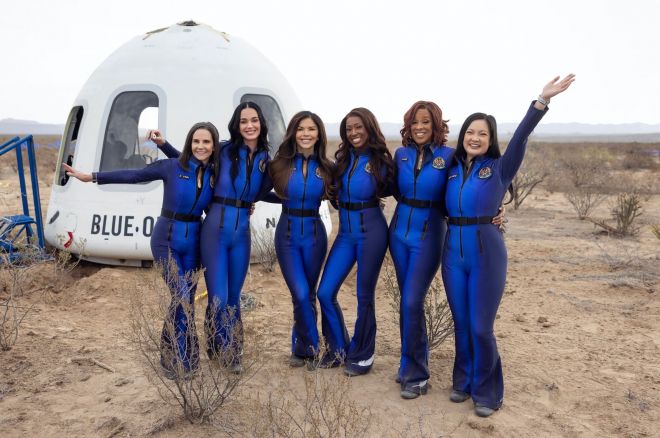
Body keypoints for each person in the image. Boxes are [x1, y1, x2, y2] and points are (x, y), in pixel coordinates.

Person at [442, 74, 575, 417]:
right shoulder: (451, 169)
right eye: (470, 132)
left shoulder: (501, 168)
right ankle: (463, 381)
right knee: (461, 322)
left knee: (480, 326)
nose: (475, 138)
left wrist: (541, 101)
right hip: (452, 254)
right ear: (463, 136)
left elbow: (521, 136)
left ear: (490, 140)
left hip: (487, 255)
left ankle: (488, 393)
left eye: (482, 134)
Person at [63, 122, 219, 379]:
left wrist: (247, 207)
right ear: (189, 143)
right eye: (196, 141)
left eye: (206, 142)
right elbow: (134, 175)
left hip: (194, 244)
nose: (200, 146)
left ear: (213, 146)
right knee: (181, 295)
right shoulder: (171, 167)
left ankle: (184, 356)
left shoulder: (214, 175)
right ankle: (176, 360)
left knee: (187, 300)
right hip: (166, 241)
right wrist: (92, 177)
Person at [157, 102, 272, 374]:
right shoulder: (224, 150)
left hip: (241, 234)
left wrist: (297, 200)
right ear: (236, 125)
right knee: (218, 297)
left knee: (233, 298)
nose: (249, 126)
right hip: (214, 233)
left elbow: (264, 191)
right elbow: (190, 160)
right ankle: (211, 344)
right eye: (243, 121)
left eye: (254, 120)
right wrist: (164, 146)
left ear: (261, 123)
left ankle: (229, 351)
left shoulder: (266, 158)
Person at [316, 107, 394, 376]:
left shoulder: (382, 163)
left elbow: (410, 191)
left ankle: (363, 355)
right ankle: (338, 349)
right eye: (348, 129)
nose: (353, 133)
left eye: (358, 127)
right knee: (325, 292)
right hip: (345, 235)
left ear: (369, 128)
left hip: (372, 233)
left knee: (364, 296)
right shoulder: (341, 161)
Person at [389, 101, 455, 398]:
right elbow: (390, 187)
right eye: (415, 122)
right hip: (398, 234)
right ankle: (408, 364)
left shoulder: (449, 156)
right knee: (406, 302)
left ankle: (417, 377)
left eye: (425, 122)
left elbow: (473, 181)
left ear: (436, 125)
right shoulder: (400, 155)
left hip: (428, 236)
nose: (419, 127)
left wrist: (498, 207)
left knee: (412, 301)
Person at [267, 111, 335, 369]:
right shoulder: (279, 164)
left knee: (309, 294)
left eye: (311, 129)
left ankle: (301, 349)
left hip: (315, 235)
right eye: (301, 129)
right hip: (287, 235)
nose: (306, 134)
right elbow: (257, 190)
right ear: (293, 133)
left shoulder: (328, 167)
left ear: (319, 134)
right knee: (300, 292)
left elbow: (339, 197)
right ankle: (313, 348)